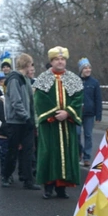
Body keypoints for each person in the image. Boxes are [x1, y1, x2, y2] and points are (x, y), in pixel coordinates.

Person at [34, 46, 83, 199]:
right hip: (50, 124)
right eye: (57, 59)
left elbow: (78, 98)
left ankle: (62, 187)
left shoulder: (73, 78)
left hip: (67, 123)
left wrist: (67, 112)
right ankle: (48, 187)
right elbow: (40, 100)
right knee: (49, 153)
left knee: (66, 154)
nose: (60, 62)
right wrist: (55, 114)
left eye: (62, 59)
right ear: (52, 61)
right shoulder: (43, 78)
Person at [2, 53, 40, 190]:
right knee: (12, 150)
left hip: (25, 121)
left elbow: (29, 100)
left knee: (28, 152)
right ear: (27, 64)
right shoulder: (14, 80)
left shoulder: (25, 79)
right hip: (15, 121)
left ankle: (28, 180)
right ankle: (6, 176)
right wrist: (26, 117)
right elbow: (16, 101)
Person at [78, 58, 102, 167]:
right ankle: (79, 152)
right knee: (76, 134)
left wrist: (98, 115)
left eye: (89, 68)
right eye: (85, 68)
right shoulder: (76, 81)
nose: (88, 70)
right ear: (81, 70)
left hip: (89, 113)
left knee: (88, 135)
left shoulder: (94, 82)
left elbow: (98, 99)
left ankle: (87, 157)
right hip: (77, 113)